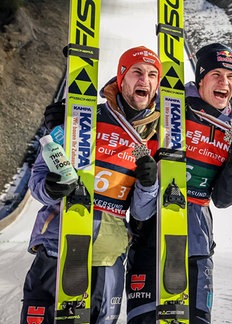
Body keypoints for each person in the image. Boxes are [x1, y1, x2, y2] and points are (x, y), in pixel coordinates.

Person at [20, 46, 162, 324]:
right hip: (57, 245)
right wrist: (50, 189)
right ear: (121, 77)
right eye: (137, 72)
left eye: (152, 74)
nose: (145, 80)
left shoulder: (155, 139)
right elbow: (37, 177)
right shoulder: (83, 120)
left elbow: (143, 214)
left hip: (108, 256)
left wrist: (148, 186)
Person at [125, 43, 232, 323]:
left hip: (198, 239)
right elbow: (130, 118)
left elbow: (223, 199)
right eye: (216, 74)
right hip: (152, 233)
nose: (224, 82)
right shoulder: (169, 106)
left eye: (231, 77)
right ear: (201, 78)